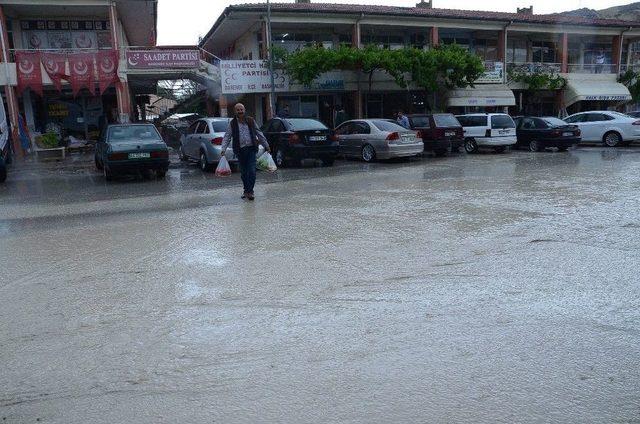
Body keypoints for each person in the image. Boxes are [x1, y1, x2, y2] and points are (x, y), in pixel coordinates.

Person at [220, 103, 270, 200]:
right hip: (240, 150)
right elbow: (227, 136)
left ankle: (250, 192)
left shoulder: (251, 120)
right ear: (235, 111)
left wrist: (266, 145)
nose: (240, 111)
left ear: (244, 110)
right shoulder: (232, 123)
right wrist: (223, 149)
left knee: (251, 171)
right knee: (244, 172)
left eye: (241, 109)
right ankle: (246, 191)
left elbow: (259, 133)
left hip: (251, 149)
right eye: (238, 110)